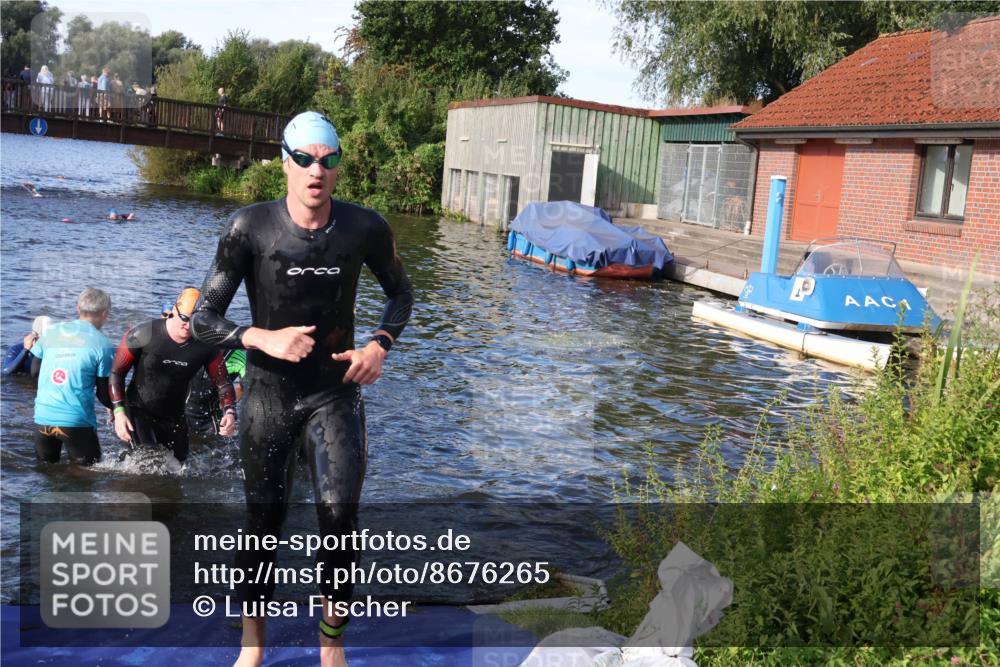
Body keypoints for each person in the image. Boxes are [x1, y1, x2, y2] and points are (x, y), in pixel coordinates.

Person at [191, 111, 413, 667]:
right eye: (306, 159)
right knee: (262, 524)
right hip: (268, 395)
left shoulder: (366, 228)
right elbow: (203, 319)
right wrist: (259, 337)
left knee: (339, 517)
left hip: (334, 393)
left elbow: (401, 295)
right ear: (285, 162)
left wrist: (379, 345)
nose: (317, 169)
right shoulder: (250, 228)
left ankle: (331, 651)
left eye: (329, 159)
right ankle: (252, 647)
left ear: (338, 168)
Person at [109, 288, 236, 463]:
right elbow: (117, 373)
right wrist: (119, 412)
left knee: (179, 468)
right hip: (138, 412)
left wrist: (229, 412)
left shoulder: (206, 346)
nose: (187, 325)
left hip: (174, 416)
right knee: (148, 462)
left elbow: (223, 383)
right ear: (173, 311)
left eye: (194, 322)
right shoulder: (143, 334)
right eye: (184, 318)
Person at [32, 288, 114, 465]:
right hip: (77, 422)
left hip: (42, 417)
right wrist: (117, 408)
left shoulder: (50, 332)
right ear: (105, 313)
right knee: (87, 476)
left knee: (46, 473)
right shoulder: (104, 344)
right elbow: (103, 394)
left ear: (78, 308)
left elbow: (34, 372)